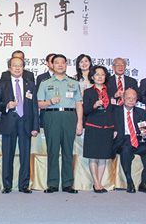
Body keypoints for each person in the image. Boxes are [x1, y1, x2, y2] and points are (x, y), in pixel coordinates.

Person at [37, 54, 83, 194]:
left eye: (62, 62)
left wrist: (79, 122)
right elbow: (39, 104)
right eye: (56, 63)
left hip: (70, 116)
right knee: (52, 150)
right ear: (51, 65)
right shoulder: (45, 83)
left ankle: (68, 184)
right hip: (52, 116)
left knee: (68, 150)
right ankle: (52, 184)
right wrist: (50, 102)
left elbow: (79, 104)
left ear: (66, 65)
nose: (60, 65)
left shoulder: (73, 83)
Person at [0, 57, 39, 194]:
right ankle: (7, 185)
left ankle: (24, 185)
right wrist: (6, 106)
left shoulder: (30, 84)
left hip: (26, 123)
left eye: (20, 65)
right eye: (14, 65)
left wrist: (35, 127)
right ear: (9, 68)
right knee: (8, 154)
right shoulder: (3, 85)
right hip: (9, 123)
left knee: (25, 155)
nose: (18, 68)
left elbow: (34, 107)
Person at [82, 66, 117, 193]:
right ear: (92, 77)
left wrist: (115, 128)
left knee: (103, 156)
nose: (100, 77)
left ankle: (99, 182)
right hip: (93, 127)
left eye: (102, 74)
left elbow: (115, 111)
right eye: (97, 74)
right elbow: (84, 111)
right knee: (93, 156)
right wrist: (94, 105)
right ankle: (96, 183)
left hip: (108, 127)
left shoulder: (112, 91)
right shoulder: (88, 92)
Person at [114, 89, 146, 193]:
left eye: (134, 98)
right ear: (122, 99)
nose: (131, 100)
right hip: (123, 140)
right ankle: (129, 181)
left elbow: (144, 128)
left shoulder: (142, 112)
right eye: (128, 98)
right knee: (126, 151)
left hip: (138, 140)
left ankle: (143, 183)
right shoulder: (115, 111)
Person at [36, 53, 56, 128]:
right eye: (52, 61)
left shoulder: (66, 78)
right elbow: (39, 98)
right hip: (46, 112)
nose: (54, 64)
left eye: (56, 62)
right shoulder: (41, 78)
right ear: (47, 63)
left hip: (61, 114)